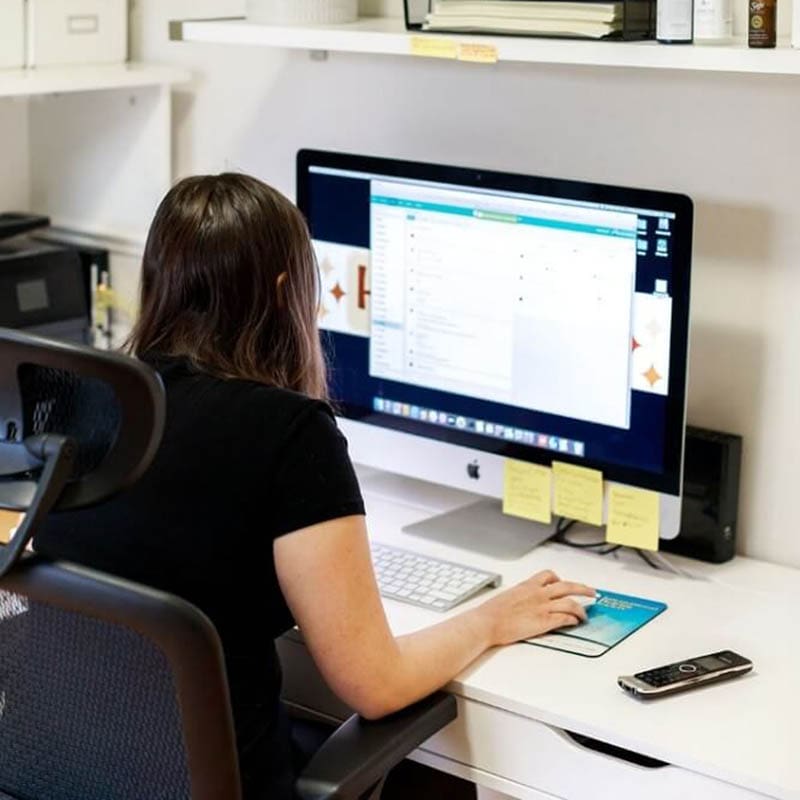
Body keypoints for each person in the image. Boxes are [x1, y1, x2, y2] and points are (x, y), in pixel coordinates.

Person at [34, 174, 594, 799]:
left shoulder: (82, 403)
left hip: (76, 778)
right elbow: (374, 684)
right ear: (285, 294)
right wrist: (491, 619)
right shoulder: (288, 432)